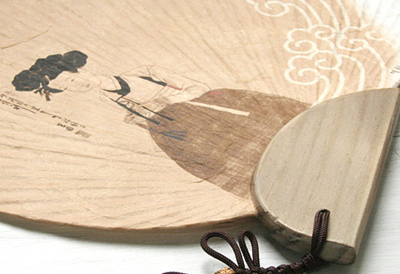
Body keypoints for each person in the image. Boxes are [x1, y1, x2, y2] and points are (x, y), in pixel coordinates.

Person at [12, 50, 309, 198]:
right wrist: (146, 121)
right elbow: (149, 121)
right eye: (68, 89)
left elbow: (196, 86)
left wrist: (171, 101)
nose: (78, 87)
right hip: (187, 135)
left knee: (282, 132)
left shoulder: (144, 71)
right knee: (239, 168)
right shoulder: (108, 99)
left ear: (77, 70)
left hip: (214, 109)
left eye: (72, 81)